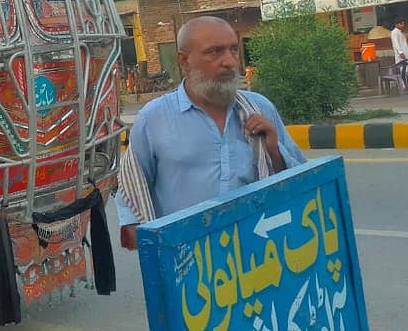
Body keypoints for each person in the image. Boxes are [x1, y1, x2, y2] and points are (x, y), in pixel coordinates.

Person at [116, 16, 306, 250]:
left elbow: (302, 184)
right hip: (186, 260)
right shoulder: (153, 119)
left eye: (233, 50)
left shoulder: (260, 108)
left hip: (256, 254)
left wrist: (273, 150)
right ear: (183, 61)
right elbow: (131, 188)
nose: (229, 62)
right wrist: (154, 251)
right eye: (214, 52)